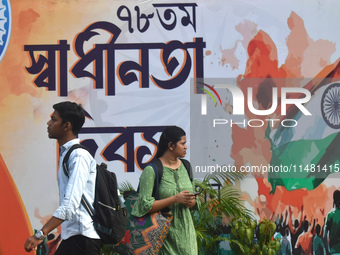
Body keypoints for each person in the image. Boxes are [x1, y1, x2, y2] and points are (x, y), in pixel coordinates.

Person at [24, 101, 102, 254]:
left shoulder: (78, 156)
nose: (48, 123)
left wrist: (40, 234)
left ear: (67, 126)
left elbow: (70, 204)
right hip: (74, 238)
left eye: (54, 120)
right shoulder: (68, 154)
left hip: (83, 239)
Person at [131, 126, 198, 254]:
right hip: (162, 238)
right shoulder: (152, 170)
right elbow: (143, 206)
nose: (186, 147)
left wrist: (192, 202)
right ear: (171, 145)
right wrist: (174, 199)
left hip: (187, 237)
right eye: (182, 143)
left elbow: (195, 203)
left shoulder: (186, 166)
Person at [324, 190, 340, 255]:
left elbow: (324, 235)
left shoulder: (330, 215)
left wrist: (327, 250)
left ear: (333, 200)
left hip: (333, 251)